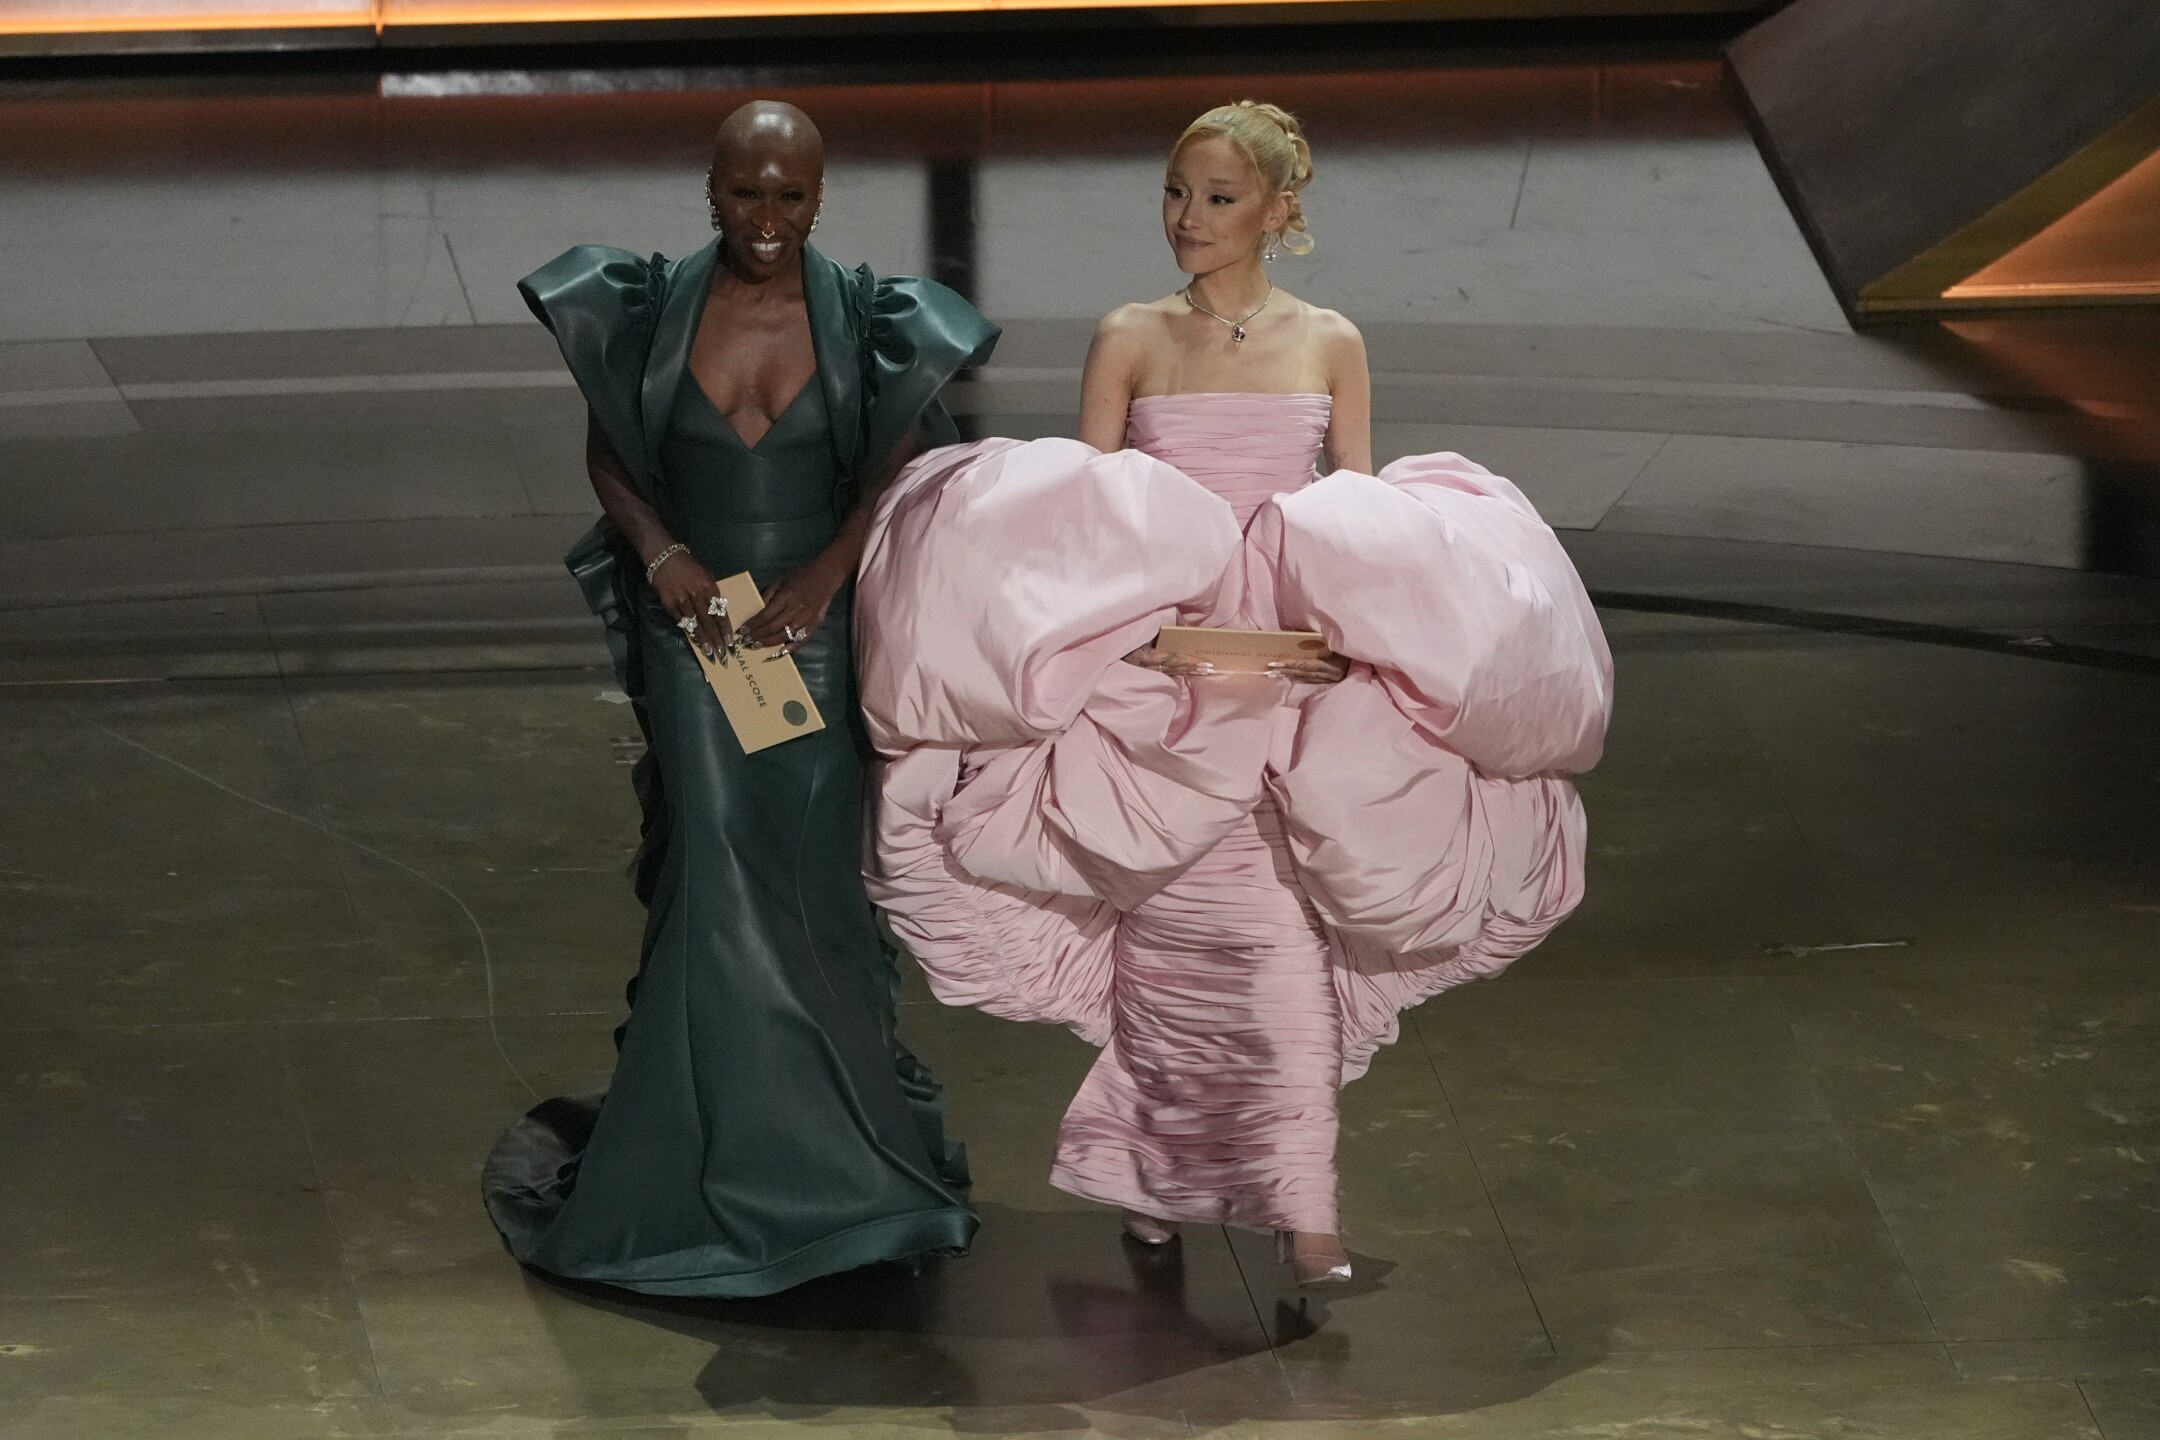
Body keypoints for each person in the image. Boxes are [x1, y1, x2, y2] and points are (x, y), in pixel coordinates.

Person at [855, 101, 1611, 1287]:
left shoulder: (1331, 342)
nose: (1187, 219)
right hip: (1166, 693)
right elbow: (1087, 528)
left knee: (1282, 952)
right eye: (1174, 191)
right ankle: (1163, 1178)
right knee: (1172, 957)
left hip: (1298, 692)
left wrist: (1339, 643)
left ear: (1278, 211)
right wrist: (1158, 643)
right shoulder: (1130, 336)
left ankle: (1300, 1213)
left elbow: (1371, 529)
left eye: (1216, 197)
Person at [481, 101, 996, 1297]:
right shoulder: (653, 308)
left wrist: (825, 576)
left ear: (821, 198)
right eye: (747, 195)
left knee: (811, 885)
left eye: (792, 198)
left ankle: (843, 1166)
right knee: (712, 866)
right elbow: (613, 448)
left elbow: (906, 462)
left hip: (810, 632)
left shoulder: (867, 323)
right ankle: (705, 1175)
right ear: (711, 190)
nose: (768, 221)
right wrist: (664, 557)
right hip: (700, 628)